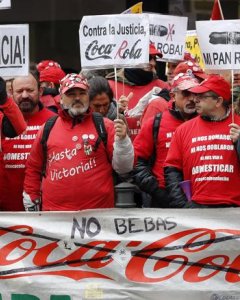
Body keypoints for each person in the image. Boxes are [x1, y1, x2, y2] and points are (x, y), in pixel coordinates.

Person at [23, 73, 134, 211]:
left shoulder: (105, 125)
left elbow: (124, 168)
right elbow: (33, 168)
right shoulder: (48, 128)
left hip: (99, 217)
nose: (77, 98)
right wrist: (31, 199)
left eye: (82, 93)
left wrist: (123, 141)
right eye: (71, 94)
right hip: (54, 221)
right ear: (61, 98)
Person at [164, 74, 240, 208]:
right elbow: (172, 170)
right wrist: (182, 204)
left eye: (202, 96)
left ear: (218, 101)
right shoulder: (183, 130)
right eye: (195, 95)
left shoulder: (237, 125)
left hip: (234, 209)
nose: (195, 100)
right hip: (196, 208)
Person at [133, 73, 200, 208]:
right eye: (186, 94)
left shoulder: (206, 121)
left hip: (199, 197)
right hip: (163, 199)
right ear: (173, 96)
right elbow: (137, 163)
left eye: (195, 93)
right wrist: (157, 190)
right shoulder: (156, 122)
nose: (192, 98)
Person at [0, 72, 56, 211]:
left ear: (40, 91)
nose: (24, 95)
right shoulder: (1, 119)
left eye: (30, 90)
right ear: (10, 92)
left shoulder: (55, 120)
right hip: (5, 210)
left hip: (43, 210)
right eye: (19, 91)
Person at [107, 43, 169, 140]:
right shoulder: (110, 86)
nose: (153, 63)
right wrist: (115, 111)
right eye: (148, 58)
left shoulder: (162, 87)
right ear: (133, 57)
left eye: (154, 59)